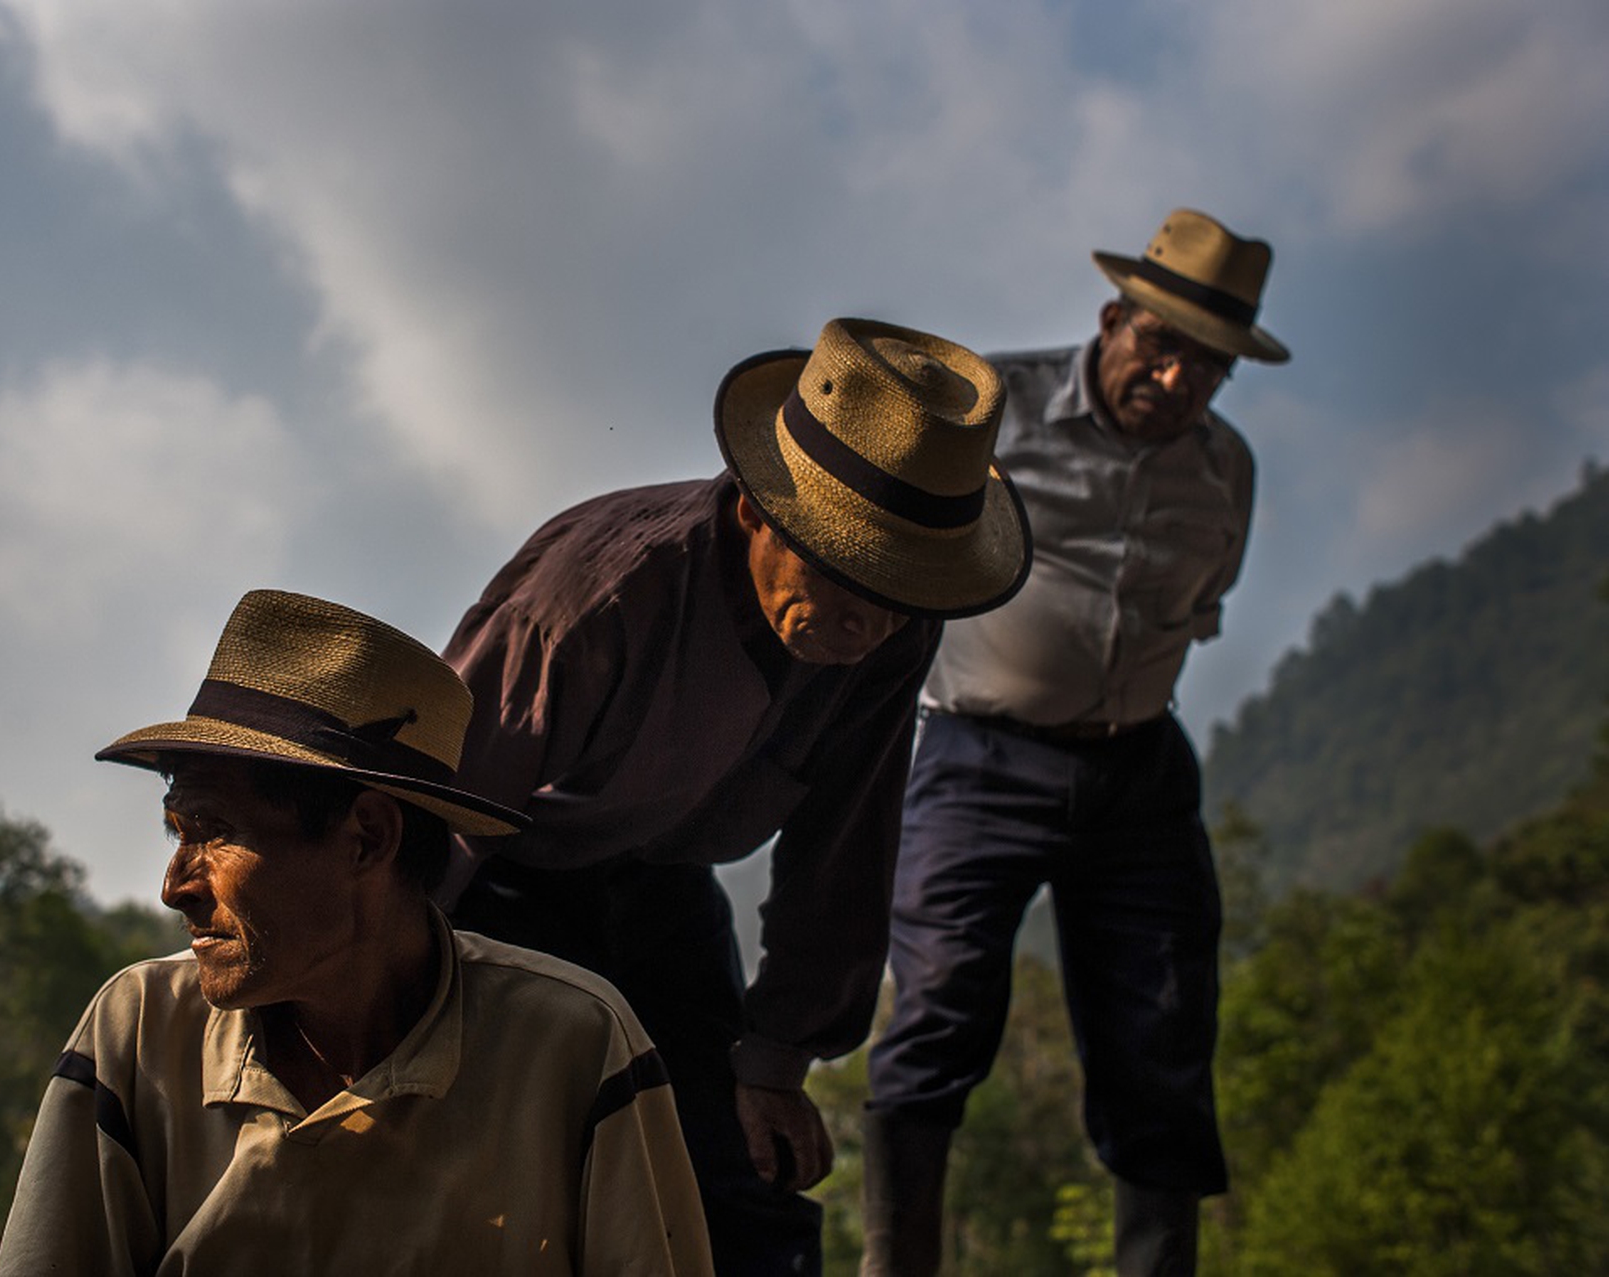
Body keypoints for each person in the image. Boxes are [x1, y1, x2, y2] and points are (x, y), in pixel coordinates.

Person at [441, 317, 1033, 1275]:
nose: (864, 621)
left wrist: (776, 1057)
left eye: (894, 592)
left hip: (665, 889)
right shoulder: (597, 600)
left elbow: (846, 846)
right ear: (760, 514)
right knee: (512, 1182)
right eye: (841, 572)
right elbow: (433, 815)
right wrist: (378, 1002)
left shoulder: (890, 635)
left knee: (745, 1192)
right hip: (502, 881)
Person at [0, 589, 713, 1276]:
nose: (175, 884)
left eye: (214, 833)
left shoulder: (576, 1043)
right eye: (177, 831)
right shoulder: (140, 1030)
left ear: (367, 836)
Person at [861, 209, 1291, 1277]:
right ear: (1113, 318)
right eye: (1162, 345)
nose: (1179, 378)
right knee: (941, 999)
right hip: (978, 756)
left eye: (1210, 366)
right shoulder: (997, 417)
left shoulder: (1225, 471)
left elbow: (1205, 604)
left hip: (1140, 768)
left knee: (1163, 1025)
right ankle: (893, 1259)